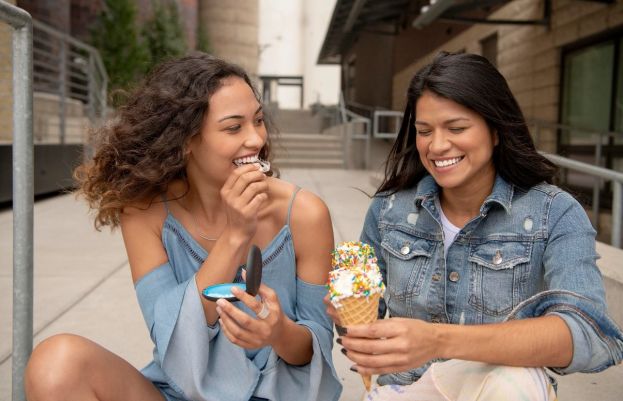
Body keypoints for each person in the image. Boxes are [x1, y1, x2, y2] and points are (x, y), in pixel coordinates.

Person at [25, 53, 342, 401]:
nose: (255, 139)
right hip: (182, 393)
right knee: (56, 363)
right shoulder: (145, 213)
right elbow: (173, 345)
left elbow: (315, 353)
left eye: (259, 120)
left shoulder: (304, 214)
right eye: (234, 127)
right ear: (186, 140)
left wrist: (278, 331)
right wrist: (236, 235)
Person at [327, 51, 623, 400]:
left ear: (496, 130)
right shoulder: (388, 209)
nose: (437, 146)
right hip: (403, 391)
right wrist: (347, 318)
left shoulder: (553, 213)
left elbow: (589, 333)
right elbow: (364, 326)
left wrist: (437, 339)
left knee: (517, 378)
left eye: (456, 128)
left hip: (499, 389)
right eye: (424, 131)